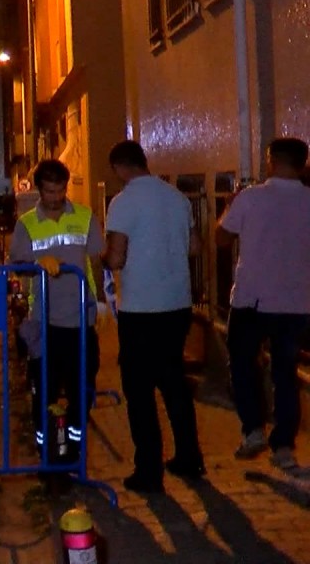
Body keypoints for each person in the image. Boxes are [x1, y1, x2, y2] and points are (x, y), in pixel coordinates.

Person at [102, 140, 204, 493]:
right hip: (178, 303)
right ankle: (189, 457)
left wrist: (103, 259)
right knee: (174, 382)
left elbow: (116, 257)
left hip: (141, 308)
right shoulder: (177, 198)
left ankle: (148, 470)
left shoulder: (123, 202)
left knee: (140, 391)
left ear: (119, 167)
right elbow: (194, 247)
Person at [217, 137, 310, 473]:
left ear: (271, 160)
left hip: (251, 299)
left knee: (243, 364)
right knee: (285, 373)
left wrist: (229, 207)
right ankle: (283, 445)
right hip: (296, 302)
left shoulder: (251, 197)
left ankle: (253, 429)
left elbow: (221, 238)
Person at [8, 159, 103, 463]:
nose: (56, 197)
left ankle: (74, 451)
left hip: (81, 319)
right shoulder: (26, 224)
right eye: (49, 191)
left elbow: (97, 261)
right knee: (44, 394)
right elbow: (17, 265)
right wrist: (36, 264)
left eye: (60, 190)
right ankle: (47, 453)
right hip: (44, 321)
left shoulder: (85, 217)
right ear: (39, 189)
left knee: (81, 392)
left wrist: (102, 304)